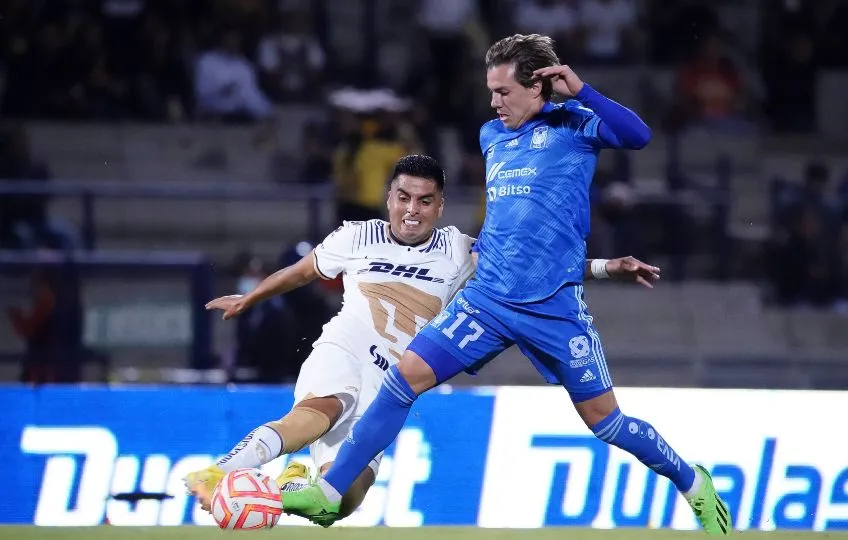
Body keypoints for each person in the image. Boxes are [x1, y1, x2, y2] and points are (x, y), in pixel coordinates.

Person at [281, 34, 732, 536]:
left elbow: (639, 135)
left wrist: (580, 89)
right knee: (404, 377)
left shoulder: (575, 125)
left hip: (553, 309)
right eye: (490, 90)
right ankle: (330, 490)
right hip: (488, 299)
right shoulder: (491, 136)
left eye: (503, 91)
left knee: (606, 422)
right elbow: (517, 230)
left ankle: (691, 480)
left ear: (538, 85)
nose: (494, 102)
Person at [184, 153, 658, 521]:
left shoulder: (457, 249)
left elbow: (527, 272)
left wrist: (605, 268)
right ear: (389, 198)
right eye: (403, 198)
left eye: (424, 200)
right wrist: (252, 299)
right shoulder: (355, 236)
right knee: (320, 411)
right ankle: (219, 471)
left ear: (439, 205)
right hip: (344, 349)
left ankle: (288, 481)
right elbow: (301, 272)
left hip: (392, 384)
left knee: (338, 504)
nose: (412, 210)